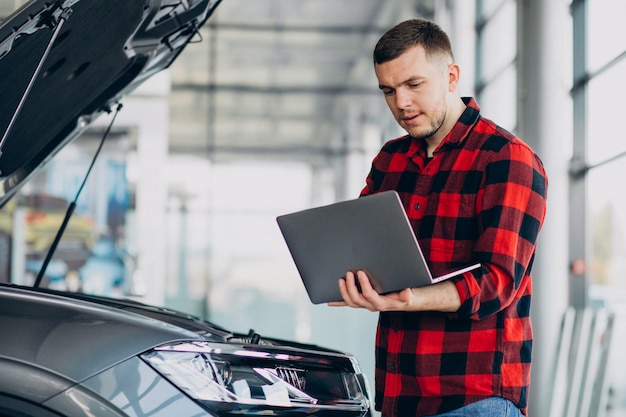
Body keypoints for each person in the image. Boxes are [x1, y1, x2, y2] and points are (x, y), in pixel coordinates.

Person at [328, 18, 548, 417]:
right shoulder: (390, 159)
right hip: (400, 396)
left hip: (474, 399)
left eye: (414, 85)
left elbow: (498, 282)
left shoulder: (507, 159)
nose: (401, 103)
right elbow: (362, 246)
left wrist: (409, 298)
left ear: (451, 77)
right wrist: (348, 274)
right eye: (389, 91)